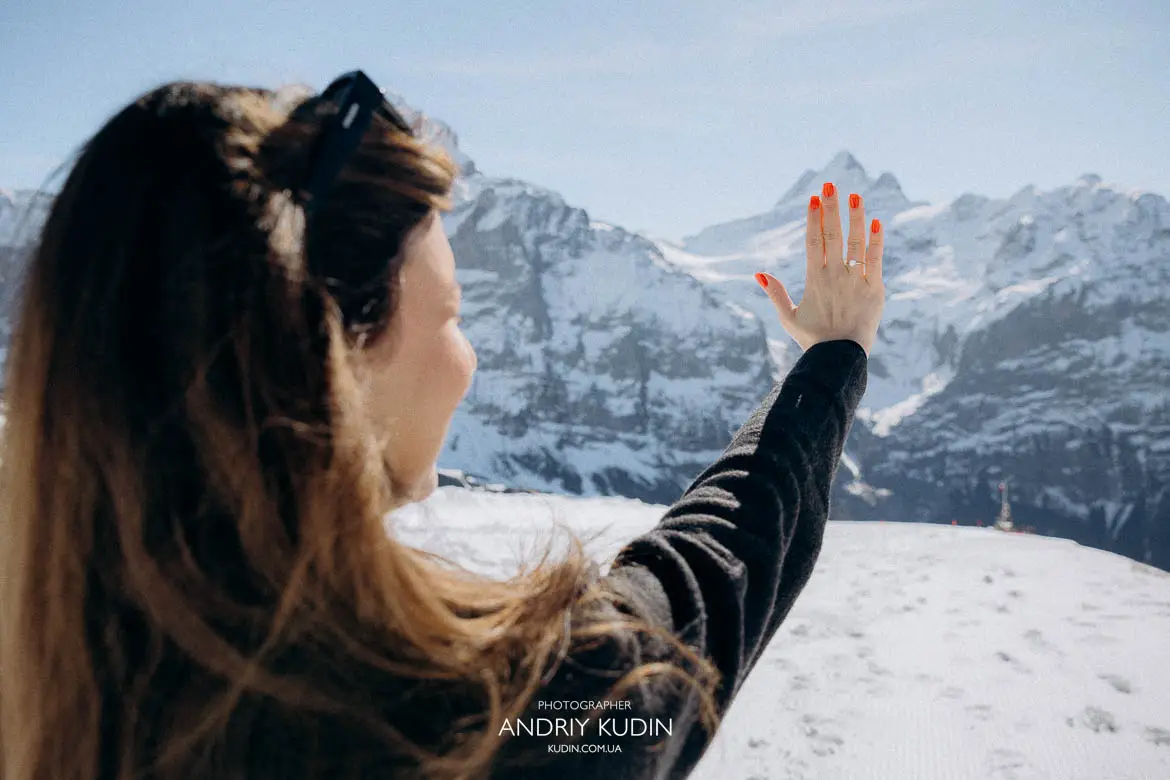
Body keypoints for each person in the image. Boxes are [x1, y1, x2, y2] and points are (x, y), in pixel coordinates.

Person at [0, 70, 884, 780]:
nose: (469, 360)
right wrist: (831, 358)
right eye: (454, 314)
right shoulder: (480, 721)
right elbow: (693, 612)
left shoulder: (57, 691)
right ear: (334, 363)